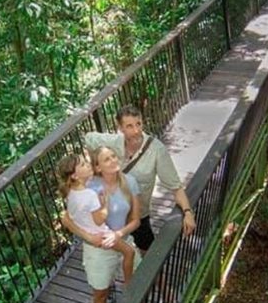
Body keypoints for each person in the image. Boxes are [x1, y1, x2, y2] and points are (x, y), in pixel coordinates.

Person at [84, 104, 196, 249]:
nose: (136, 130)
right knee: (114, 252)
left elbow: (175, 187)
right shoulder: (113, 142)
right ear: (120, 127)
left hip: (138, 215)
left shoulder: (157, 150)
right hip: (111, 212)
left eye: (139, 124)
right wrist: (95, 172)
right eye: (129, 126)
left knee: (147, 249)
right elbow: (89, 138)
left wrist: (187, 212)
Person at [60, 146, 142, 303]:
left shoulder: (129, 182)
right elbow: (66, 218)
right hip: (98, 245)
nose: (113, 160)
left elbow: (136, 220)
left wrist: (118, 234)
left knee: (138, 276)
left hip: (120, 237)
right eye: (107, 159)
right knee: (100, 293)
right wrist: (89, 236)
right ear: (98, 168)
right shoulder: (88, 187)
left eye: (114, 156)